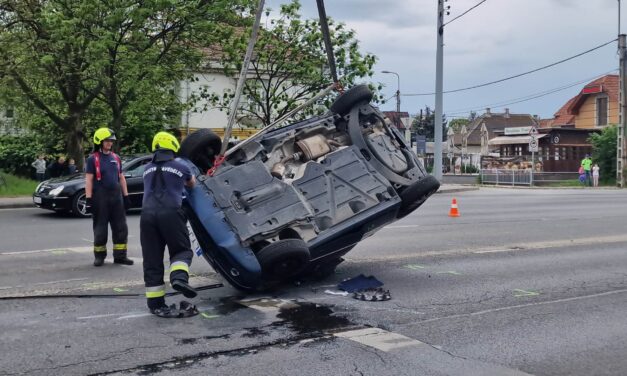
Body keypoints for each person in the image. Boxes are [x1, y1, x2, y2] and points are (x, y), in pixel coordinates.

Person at [141, 131, 198, 318]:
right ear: (173, 146)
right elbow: (192, 185)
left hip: (147, 216)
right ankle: (179, 278)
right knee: (181, 250)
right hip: (171, 213)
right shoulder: (180, 166)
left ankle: (156, 304)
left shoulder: (147, 168)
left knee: (152, 259)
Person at [85, 127, 133, 267]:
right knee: (100, 229)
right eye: (107, 141)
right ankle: (99, 256)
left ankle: (120, 256)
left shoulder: (116, 158)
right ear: (99, 141)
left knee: (121, 228)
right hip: (100, 198)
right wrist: (88, 199)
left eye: (111, 141)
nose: (110, 143)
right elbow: (88, 179)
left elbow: (121, 178)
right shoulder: (92, 159)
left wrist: (126, 196)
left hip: (116, 198)